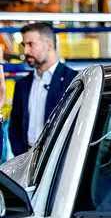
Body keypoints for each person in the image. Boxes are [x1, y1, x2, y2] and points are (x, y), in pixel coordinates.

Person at [8, 22, 78, 157]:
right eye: (24, 45)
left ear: (49, 45)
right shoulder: (22, 84)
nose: (25, 51)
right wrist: (21, 157)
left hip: (60, 159)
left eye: (30, 44)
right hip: (26, 159)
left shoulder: (73, 81)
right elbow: (15, 127)